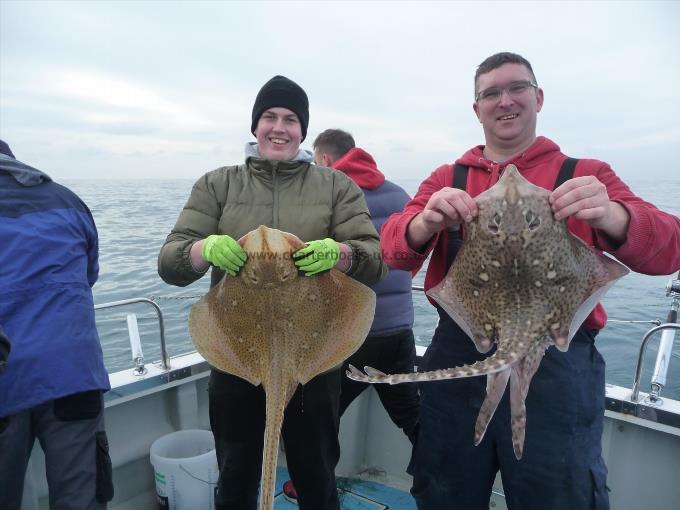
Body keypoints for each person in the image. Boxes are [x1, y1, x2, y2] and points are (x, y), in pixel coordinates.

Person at [380, 52, 680, 510]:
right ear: (476, 107)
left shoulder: (585, 175)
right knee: (444, 490)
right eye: (490, 93)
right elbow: (392, 251)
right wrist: (424, 223)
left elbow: (670, 248)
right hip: (462, 352)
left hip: (558, 362)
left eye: (517, 88)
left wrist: (616, 216)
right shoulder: (448, 178)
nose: (505, 101)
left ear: (538, 98)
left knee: (557, 495)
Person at [158, 76, 386, 510]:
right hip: (236, 355)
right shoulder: (218, 185)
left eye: (290, 119)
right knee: (237, 470)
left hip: (313, 356)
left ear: (303, 131)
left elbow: (374, 261)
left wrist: (340, 253)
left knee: (316, 472)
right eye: (269, 117)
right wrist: (201, 249)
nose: (279, 127)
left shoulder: (336, 186)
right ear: (255, 125)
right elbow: (170, 263)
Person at [281, 129, 420, 503]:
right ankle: (435, 475)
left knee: (319, 420)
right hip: (399, 332)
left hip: (350, 335)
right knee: (411, 413)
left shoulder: (326, 196)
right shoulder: (398, 193)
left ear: (324, 160)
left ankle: (310, 485)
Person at [0, 140, 113, 509]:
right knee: (81, 498)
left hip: (8, 378)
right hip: (72, 370)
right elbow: (89, 272)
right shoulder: (66, 200)